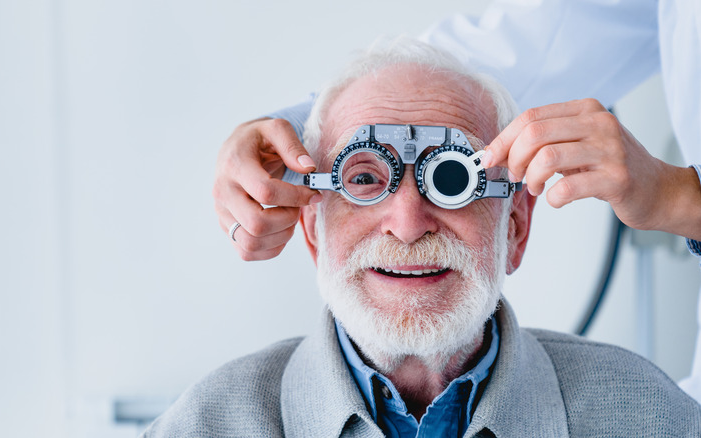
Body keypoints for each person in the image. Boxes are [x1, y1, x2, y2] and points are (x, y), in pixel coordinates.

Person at [146, 40, 700, 437]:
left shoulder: (652, 416)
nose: (409, 223)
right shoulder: (205, 423)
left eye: (452, 179)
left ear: (515, 225)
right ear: (312, 226)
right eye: (363, 179)